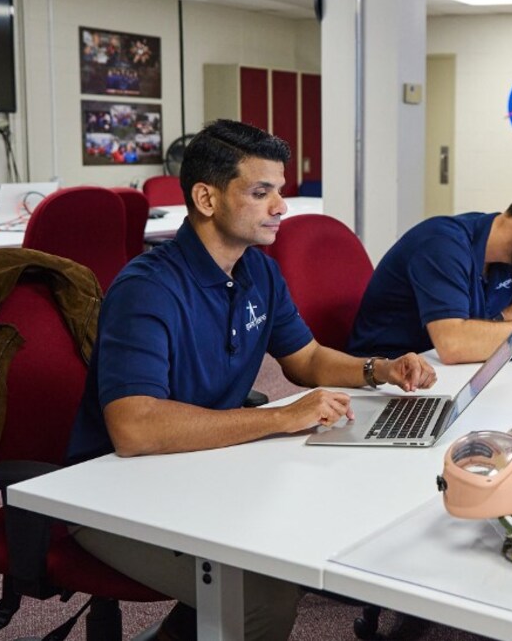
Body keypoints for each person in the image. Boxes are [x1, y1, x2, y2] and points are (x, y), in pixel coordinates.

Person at [65, 119, 437, 641]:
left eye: (279, 192)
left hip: (201, 467)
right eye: (262, 193)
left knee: (306, 531)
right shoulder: (147, 290)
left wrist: (379, 369)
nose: (281, 207)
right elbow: (135, 428)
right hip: (108, 496)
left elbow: (305, 359)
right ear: (207, 198)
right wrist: (280, 417)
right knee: (260, 598)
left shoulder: (257, 271)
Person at [347, 184, 512, 365]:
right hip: (383, 377)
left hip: (439, 371)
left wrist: (494, 323)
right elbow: (453, 345)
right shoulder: (442, 244)